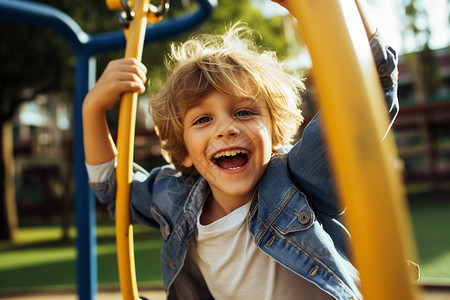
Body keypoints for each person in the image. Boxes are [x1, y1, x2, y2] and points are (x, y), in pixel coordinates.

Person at [82, 1, 398, 299]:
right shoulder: (175, 199)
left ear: (275, 135)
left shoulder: (299, 179)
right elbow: (114, 187)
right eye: (203, 119)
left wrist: (317, 8)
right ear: (185, 152)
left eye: (244, 112)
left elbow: (369, 88)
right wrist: (93, 109)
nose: (226, 128)